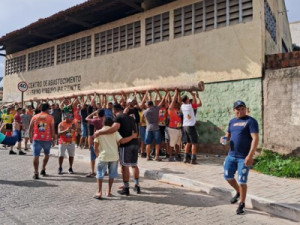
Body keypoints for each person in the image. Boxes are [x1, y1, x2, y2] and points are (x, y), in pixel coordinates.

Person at [221, 100, 259, 215]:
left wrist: (250, 155)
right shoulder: (232, 122)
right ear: (234, 110)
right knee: (228, 177)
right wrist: (223, 139)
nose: (241, 111)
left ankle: (241, 203)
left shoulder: (251, 121)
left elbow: (255, 139)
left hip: (243, 158)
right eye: (238, 109)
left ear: (246, 109)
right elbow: (227, 136)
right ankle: (238, 192)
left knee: (242, 181)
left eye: (243, 108)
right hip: (231, 156)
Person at [94, 103, 140, 196]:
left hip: (126, 145)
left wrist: (99, 132)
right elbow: (136, 131)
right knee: (134, 165)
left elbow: (113, 130)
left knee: (125, 166)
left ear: (114, 111)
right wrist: (133, 137)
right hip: (135, 143)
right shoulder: (131, 118)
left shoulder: (119, 118)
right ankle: (137, 185)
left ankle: (126, 188)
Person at [29, 103, 55, 179]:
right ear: (47, 109)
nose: (50, 110)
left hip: (36, 139)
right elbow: (52, 130)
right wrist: (53, 139)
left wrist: (30, 137)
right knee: (46, 154)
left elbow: (30, 128)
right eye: (49, 109)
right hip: (47, 139)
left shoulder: (35, 116)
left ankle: (36, 173)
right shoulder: (50, 117)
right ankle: (43, 169)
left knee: (36, 155)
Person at [143, 91, 167, 161]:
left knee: (148, 143)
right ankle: (156, 156)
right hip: (156, 127)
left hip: (148, 128)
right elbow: (162, 102)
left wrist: (148, 94)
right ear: (152, 104)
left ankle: (148, 156)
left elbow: (143, 118)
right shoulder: (156, 109)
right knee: (157, 143)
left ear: (148, 105)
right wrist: (165, 94)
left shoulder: (145, 112)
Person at [181, 92, 202, 164]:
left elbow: (193, 102)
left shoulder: (182, 106)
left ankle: (185, 158)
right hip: (191, 126)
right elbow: (199, 104)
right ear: (187, 100)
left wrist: (192, 96)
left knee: (188, 143)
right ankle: (193, 159)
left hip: (185, 126)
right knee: (194, 143)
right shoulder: (190, 106)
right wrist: (196, 97)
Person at [85, 109, 105, 178]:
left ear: (98, 114)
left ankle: (93, 171)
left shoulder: (96, 121)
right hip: (104, 141)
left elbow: (86, 118)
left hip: (96, 140)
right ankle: (104, 171)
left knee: (93, 157)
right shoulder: (105, 121)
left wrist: (93, 113)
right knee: (103, 156)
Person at [167, 89, 182, 162]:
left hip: (179, 128)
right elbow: (173, 102)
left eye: (177, 103)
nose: (177, 104)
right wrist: (175, 93)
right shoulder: (170, 110)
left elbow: (180, 102)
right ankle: (170, 156)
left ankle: (176, 155)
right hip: (172, 129)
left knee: (178, 144)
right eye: (175, 103)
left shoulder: (179, 109)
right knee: (172, 143)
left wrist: (178, 93)